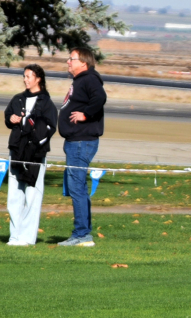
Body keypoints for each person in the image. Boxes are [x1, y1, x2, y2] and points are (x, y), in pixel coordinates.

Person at [3, 64, 58, 246]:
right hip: (16, 151)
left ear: (38, 78)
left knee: (32, 195)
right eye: (24, 76)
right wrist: (12, 119)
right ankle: (14, 236)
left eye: (28, 76)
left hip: (35, 154)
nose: (25, 79)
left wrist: (32, 126)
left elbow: (50, 128)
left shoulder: (47, 103)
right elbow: (8, 116)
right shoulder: (17, 99)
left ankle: (27, 238)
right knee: (14, 196)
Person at [57, 46, 107, 247]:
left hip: (81, 141)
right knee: (78, 188)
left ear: (83, 63)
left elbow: (100, 98)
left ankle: (81, 235)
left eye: (72, 59)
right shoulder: (81, 81)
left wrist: (85, 114)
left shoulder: (89, 79)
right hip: (75, 141)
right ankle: (83, 233)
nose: (68, 61)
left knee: (77, 188)